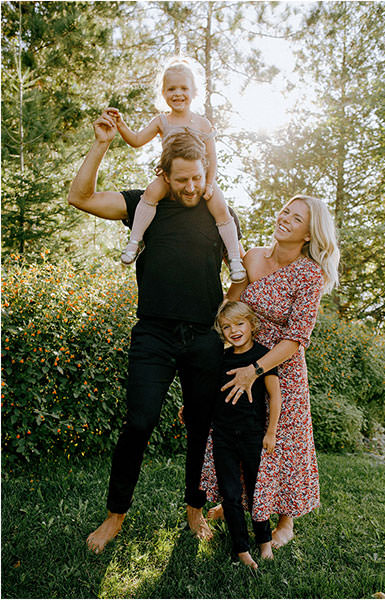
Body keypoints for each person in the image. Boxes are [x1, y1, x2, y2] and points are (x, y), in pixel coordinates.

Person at [67, 109, 243, 554]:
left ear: (207, 173)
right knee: (139, 422)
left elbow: (240, 275)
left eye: (197, 179)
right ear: (164, 174)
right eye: (181, 179)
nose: (190, 188)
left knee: (201, 426)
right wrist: (103, 142)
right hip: (154, 336)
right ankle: (115, 517)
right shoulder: (146, 206)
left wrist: (223, 316)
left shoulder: (220, 214)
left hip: (203, 338)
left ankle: (194, 510)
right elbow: (81, 198)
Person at [201, 194, 340, 549]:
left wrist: (255, 370)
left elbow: (296, 338)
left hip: (282, 366)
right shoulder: (252, 257)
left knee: (282, 442)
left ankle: (285, 519)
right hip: (242, 359)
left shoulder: (310, 274)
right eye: (285, 212)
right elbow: (231, 307)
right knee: (239, 431)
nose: (285, 219)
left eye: (296, 219)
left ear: (308, 235)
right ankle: (239, 501)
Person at [106, 57, 246, 283]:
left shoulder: (202, 123)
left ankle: (235, 260)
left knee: (221, 207)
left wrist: (209, 184)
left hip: (200, 180)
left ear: (194, 92)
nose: (177, 93)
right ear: (163, 93)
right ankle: (134, 241)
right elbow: (137, 139)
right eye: (171, 89)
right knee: (150, 193)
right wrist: (121, 124)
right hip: (171, 178)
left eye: (183, 88)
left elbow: (212, 157)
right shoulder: (162, 121)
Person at [205, 300, 281, 569]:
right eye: (227, 326)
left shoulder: (263, 357)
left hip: (253, 436)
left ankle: (264, 542)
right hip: (223, 436)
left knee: (256, 490)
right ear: (221, 330)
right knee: (231, 493)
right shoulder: (222, 359)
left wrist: (270, 433)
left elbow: (275, 397)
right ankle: (241, 548)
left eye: (239, 324)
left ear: (252, 324)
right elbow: (211, 393)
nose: (234, 330)